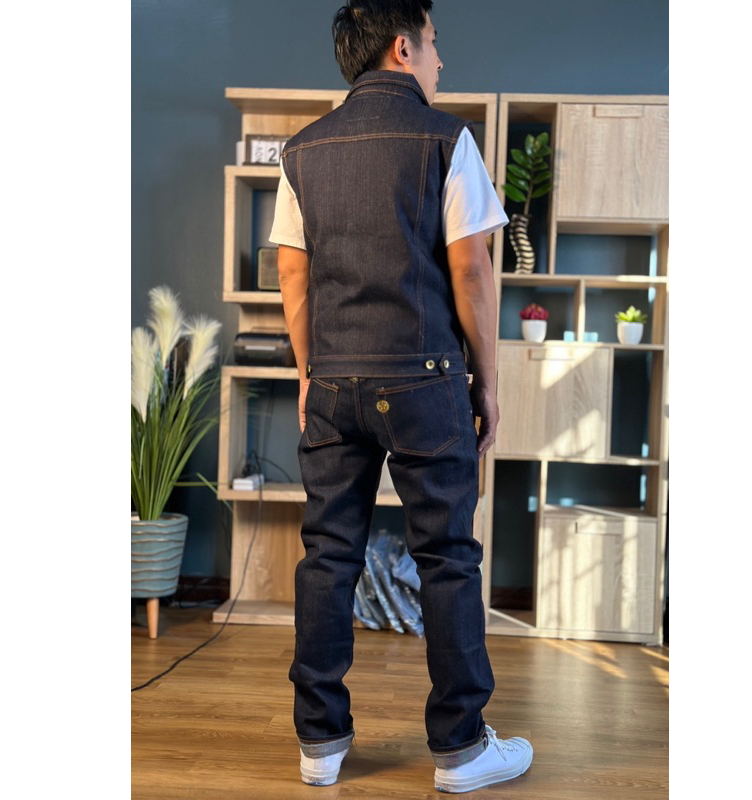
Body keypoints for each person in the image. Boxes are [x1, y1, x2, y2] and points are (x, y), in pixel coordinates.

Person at [269, 0, 534, 792]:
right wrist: (487, 381)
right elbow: (472, 269)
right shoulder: (448, 140)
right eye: (434, 43)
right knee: (447, 557)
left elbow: (292, 273)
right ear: (401, 47)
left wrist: (311, 372)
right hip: (425, 378)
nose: (440, 60)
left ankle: (320, 744)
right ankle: (461, 750)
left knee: (328, 556)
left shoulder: (301, 150)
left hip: (335, 378)